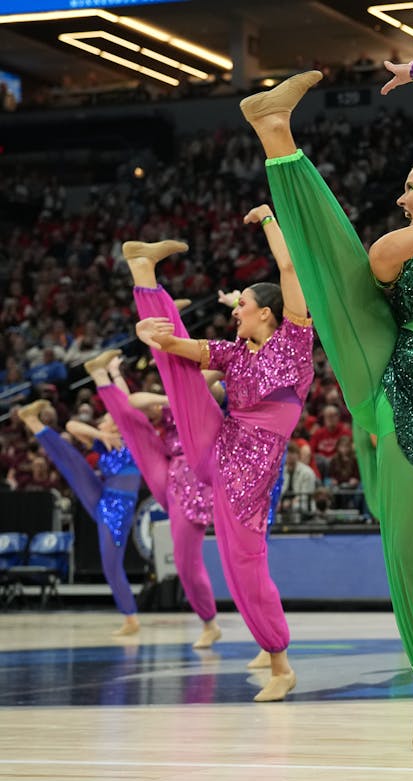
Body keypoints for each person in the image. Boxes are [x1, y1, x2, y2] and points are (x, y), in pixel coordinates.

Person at [237, 65, 413, 748]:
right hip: (388, 374)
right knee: (340, 279)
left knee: (409, 545)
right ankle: (277, 133)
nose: (402, 195)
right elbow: (380, 258)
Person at [130, 220, 311, 705]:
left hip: (248, 479)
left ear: (268, 313)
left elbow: (289, 265)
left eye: (243, 306)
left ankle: (280, 664)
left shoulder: (294, 342)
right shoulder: (232, 353)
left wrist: (272, 218)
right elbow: (182, 347)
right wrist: (149, 333)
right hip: (217, 446)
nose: (236, 313)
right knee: (180, 369)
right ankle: (144, 275)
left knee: (243, 571)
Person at [85, 351, 222, 648]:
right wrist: (163, 398)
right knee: (133, 427)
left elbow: (213, 375)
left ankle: (209, 622)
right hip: (170, 469)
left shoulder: (200, 396)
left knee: (186, 563)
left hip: (196, 476)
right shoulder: (171, 404)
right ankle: (102, 374)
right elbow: (132, 404)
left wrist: (180, 393)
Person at [16, 400, 142, 636]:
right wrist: (99, 434)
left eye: (104, 420)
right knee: (72, 462)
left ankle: (131, 618)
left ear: (116, 424)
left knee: (111, 566)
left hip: (119, 510)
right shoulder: (103, 443)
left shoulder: (132, 439)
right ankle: (32, 421)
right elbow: (73, 426)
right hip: (103, 496)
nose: (100, 422)